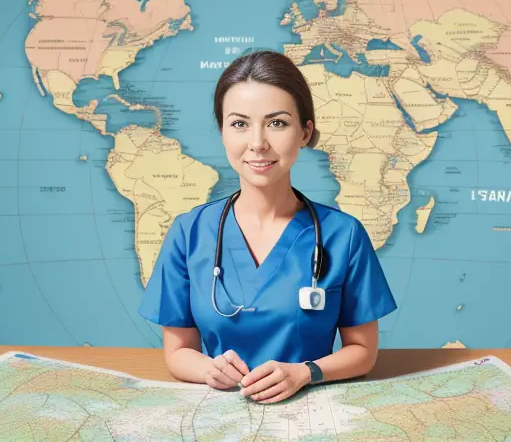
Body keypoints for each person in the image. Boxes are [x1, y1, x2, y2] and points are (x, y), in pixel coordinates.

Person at [138, 50, 397, 404]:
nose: (257, 143)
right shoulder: (189, 233)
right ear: (223, 133)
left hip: (312, 413)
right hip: (218, 414)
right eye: (240, 124)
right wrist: (208, 370)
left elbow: (363, 352)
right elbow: (178, 352)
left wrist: (305, 372)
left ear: (305, 132)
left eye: (277, 123)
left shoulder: (344, 235)